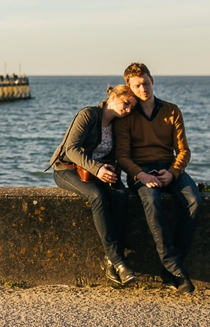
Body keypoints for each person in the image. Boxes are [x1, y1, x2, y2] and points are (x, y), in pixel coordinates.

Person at [114, 62, 201, 294]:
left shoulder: (172, 110)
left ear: (152, 80)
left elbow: (184, 151)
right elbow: (122, 155)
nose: (143, 89)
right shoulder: (126, 116)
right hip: (140, 170)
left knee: (194, 200)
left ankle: (172, 268)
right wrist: (140, 174)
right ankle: (175, 268)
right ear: (129, 88)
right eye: (137, 86)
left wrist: (172, 172)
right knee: (152, 201)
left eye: (146, 83)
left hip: (168, 167)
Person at [48, 85, 139, 286]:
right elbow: (70, 149)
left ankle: (109, 261)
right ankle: (119, 261)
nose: (128, 110)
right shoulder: (88, 114)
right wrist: (97, 168)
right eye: (126, 103)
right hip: (67, 169)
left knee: (121, 195)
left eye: (132, 107)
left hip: (97, 173)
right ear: (113, 97)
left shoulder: (118, 124)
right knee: (97, 197)